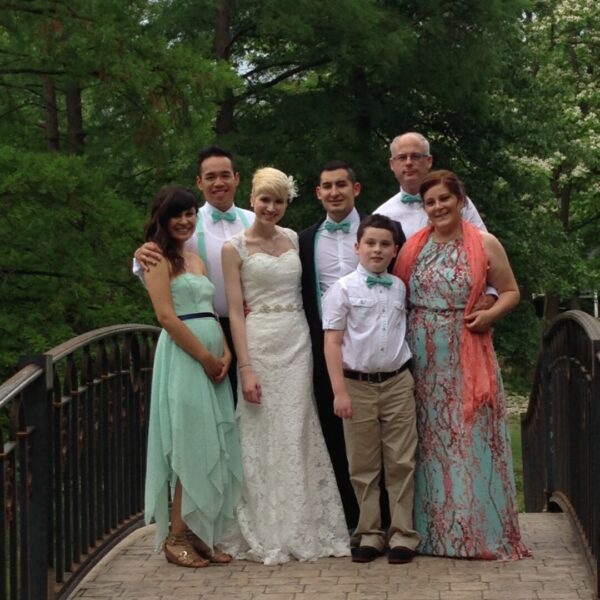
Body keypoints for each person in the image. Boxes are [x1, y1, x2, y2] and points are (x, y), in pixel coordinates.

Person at [394, 170, 530, 560]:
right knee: (428, 443)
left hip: (467, 349)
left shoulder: (484, 243)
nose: (438, 207)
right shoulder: (412, 248)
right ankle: (431, 534)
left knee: (469, 439)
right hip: (420, 355)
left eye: (444, 199)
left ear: (460, 201)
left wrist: (490, 315)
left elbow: (511, 292)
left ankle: (478, 536)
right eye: (430, 202)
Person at [220, 167, 349, 564]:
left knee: (298, 429)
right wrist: (245, 368)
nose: (271, 208)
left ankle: (304, 523)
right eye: (264, 200)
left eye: (278, 201)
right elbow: (236, 314)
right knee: (260, 431)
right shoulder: (234, 248)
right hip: (258, 341)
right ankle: (266, 525)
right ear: (252, 200)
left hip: (297, 341)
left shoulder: (294, 239)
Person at [142, 186, 243, 568]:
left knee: (210, 442)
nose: (185, 221)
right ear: (163, 219)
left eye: (189, 214)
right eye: (177, 215)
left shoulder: (197, 260)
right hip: (185, 359)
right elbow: (166, 317)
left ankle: (201, 531)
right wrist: (203, 356)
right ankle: (175, 535)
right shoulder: (156, 259)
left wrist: (226, 351)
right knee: (188, 442)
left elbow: (210, 312)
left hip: (212, 356)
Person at [322, 214, 419, 564]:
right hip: (357, 385)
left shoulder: (399, 287)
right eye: (371, 243)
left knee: (401, 461)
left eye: (385, 244)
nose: (377, 249)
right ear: (357, 247)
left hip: (396, 382)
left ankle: (403, 534)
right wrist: (340, 392)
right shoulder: (343, 289)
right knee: (363, 464)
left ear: (395, 250)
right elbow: (332, 343)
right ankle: (369, 532)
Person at [134, 146, 255, 395]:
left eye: (225, 175)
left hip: (252, 329)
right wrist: (139, 255)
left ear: (237, 178)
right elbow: (157, 266)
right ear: (199, 182)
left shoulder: (254, 222)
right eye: (210, 177)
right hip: (201, 333)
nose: (219, 183)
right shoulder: (185, 223)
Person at [375, 132, 486, 240]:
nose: (408, 163)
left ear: (429, 161)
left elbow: (483, 245)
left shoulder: (457, 202)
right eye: (402, 158)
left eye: (415, 156)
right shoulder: (383, 215)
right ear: (392, 165)